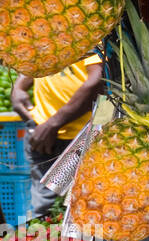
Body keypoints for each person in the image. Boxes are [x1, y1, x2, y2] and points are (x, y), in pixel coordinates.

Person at [10, 55, 103, 218]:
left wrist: (53, 124)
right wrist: (18, 88)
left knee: (86, 207)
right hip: (41, 131)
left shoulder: (91, 34)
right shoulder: (46, 34)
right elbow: (35, 60)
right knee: (41, 208)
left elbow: (98, 81)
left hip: (84, 135)